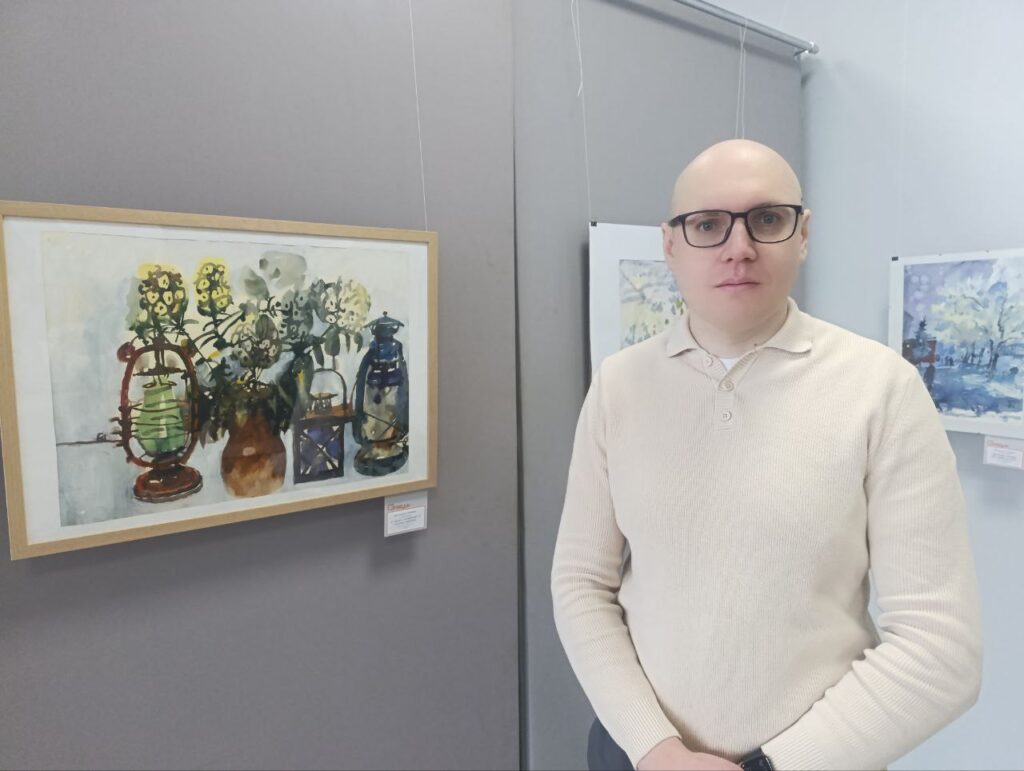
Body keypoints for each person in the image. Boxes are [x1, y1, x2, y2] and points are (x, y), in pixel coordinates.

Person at [551, 139, 982, 771]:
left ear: (802, 235)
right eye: (707, 224)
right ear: (670, 246)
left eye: (767, 219)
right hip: (636, 754)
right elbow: (581, 584)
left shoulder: (881, 388)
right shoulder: (619, 386)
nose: (739, 246)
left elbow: (940, 648)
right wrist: (654, 747)